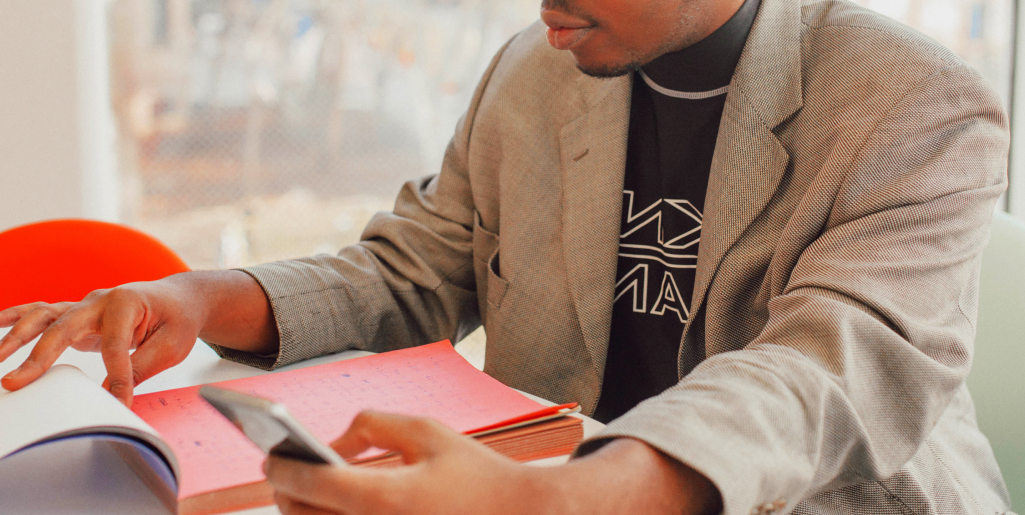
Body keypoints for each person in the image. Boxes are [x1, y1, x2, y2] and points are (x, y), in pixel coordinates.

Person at [0, 0, 1015, 513]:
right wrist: (196, 295)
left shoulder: (911, 99)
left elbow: (821, 373)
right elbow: (416, 265)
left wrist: (573, 494)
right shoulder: (541, 64)